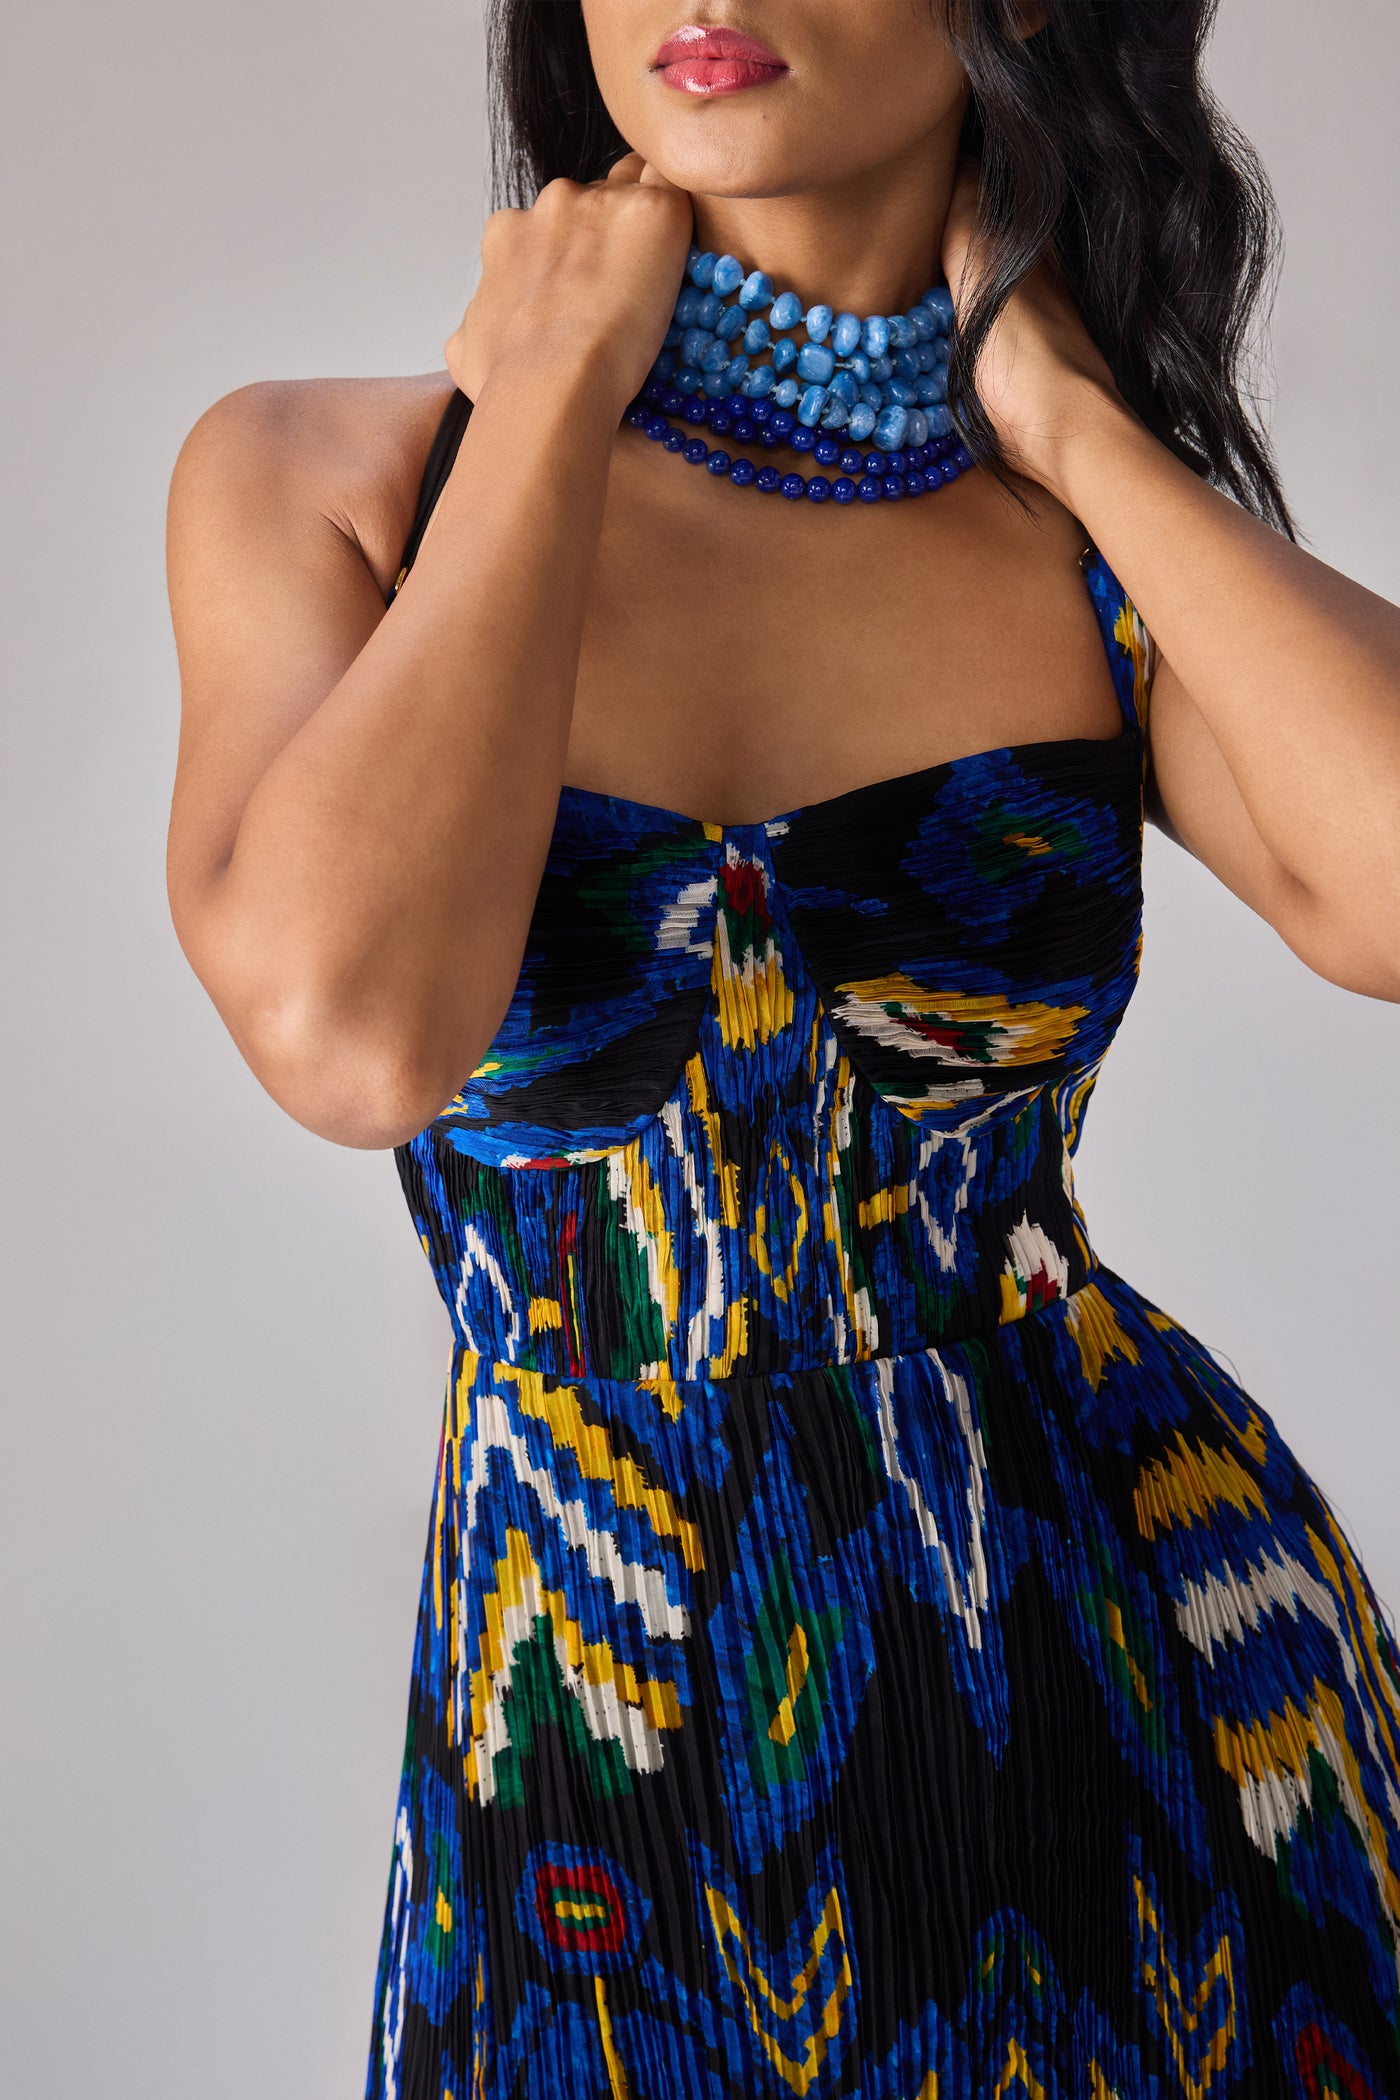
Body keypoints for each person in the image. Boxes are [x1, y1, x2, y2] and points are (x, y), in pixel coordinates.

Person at [164, 2, 1400, 2094]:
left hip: (1121, 1687)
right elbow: (351, 1037)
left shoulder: (1069, 543)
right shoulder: (332, 483)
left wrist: (1077, 424)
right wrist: (552, 396)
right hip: (596, 1743)